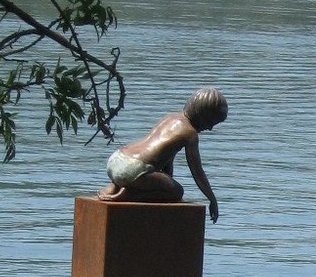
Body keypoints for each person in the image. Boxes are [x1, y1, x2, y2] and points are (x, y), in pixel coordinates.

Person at [97, 87, 228, 222]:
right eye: (211, 123)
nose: (210, 128)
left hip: (117, 159)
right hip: (134, 169)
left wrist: (167, 183)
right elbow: (197, 171)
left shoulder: (170, 117)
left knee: (170, 190)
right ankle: (129, 193)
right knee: (177, 192)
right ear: (203, 115)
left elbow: (166, 160)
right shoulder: (190, 134)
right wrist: (212, 199)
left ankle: (115, 185)